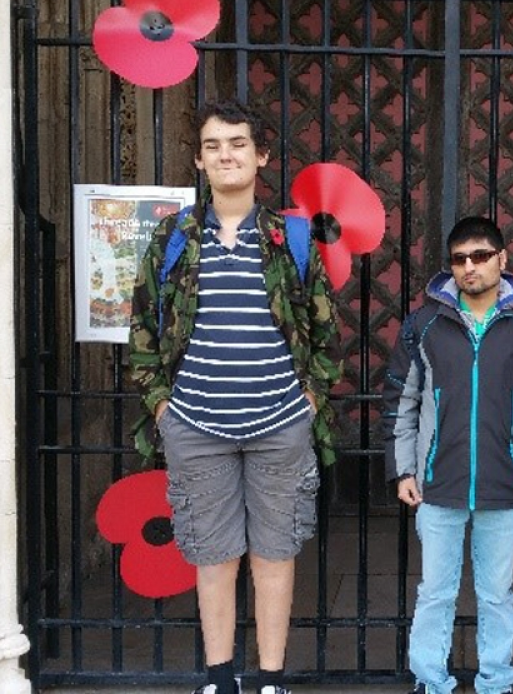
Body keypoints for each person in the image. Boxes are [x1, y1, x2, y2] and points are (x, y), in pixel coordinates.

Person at [129, 99, 342, 694]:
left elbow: (324, 332)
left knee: (274, 555)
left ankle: (270, 679)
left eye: (238, 143)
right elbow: (142, 328)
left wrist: (308, 403)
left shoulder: (289, 238)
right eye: (214, 146)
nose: (227, 155)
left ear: (261, 156)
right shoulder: (174, 238)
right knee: (214, 556)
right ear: (199, 160)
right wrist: (163, 408)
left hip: (280, 425)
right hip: (196, 427)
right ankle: (221, 679)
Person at [383, 216, 513, 694]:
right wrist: (402, 469)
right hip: (438, 481)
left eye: (481, 256)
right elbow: (401, 400)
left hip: (505, 482)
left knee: (496, 594)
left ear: (502, 259)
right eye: (460, 259)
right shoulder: (425, 324)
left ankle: (495, 679)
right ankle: (430, 679)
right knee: (435, 592)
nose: (470, 267)